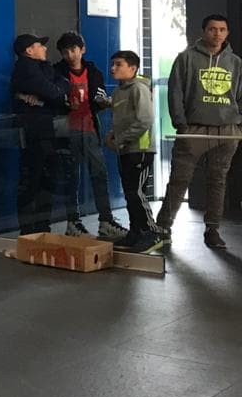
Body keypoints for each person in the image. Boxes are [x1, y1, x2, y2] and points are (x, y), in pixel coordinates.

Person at [154, 14, 242, 250]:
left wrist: (238, 125)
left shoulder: (235, 62)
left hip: (227, 131)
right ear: (204, 31)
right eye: (213, 29)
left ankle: (212, 230)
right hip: (193, 129)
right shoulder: (186, 59)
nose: (217, 34)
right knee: (179, 180)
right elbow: (175, 92)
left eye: (222, 29)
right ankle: (163, 226)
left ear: (227, 33)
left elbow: (240, 97)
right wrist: (181, 124)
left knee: (218, 181)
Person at [53, 31, 120, 238]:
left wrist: (103, 103)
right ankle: (73, 222)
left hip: (89, 129)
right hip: (66, 131)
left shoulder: (93, 72)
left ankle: (106, 221)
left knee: (99, 174)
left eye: (74, 50)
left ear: (82, 50)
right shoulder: (55, 72)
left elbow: (99, 97)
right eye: (65, 52)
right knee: (71, 177)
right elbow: (51, 97)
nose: (70, 55)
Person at [11, 33, 70, 235]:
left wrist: (51, 94)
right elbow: (54, 92)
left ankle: (43, 225)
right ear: (29, 50)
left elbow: (63, 85)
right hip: (33, 134)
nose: (45, 49)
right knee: (32, 180)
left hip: (47, 131)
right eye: (40, 46)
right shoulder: (25, 68)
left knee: (48, 179)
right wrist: (54, 93)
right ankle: (28, 230)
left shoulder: (44, 67)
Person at [106, 50, 160, 253]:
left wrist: (121, 139)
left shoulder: (139, 88)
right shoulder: (118, 92)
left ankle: (152, 232)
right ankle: (135, 232)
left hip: (141, 149)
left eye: (118, 64)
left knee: (136, 192)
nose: (113, 68)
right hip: (125, 150)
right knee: (130, 193)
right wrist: (112, 135)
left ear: (133, 68)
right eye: (113, 64)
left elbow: (145, 120)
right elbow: (121, 120)